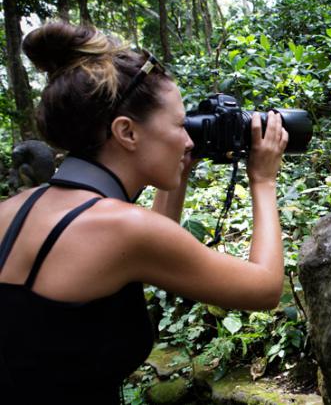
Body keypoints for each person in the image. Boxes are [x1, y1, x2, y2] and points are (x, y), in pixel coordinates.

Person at [0, 22, 288, 403]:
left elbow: (142, 252)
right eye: (177, 125)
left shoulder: (14, 208)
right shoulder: (126, 229)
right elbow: (265, 288)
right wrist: (264, 180)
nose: (188, 139)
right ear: (127, 133)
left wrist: (178, 175)